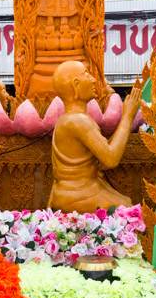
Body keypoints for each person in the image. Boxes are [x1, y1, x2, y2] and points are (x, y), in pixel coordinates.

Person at [48, 61, 141, 213]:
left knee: (126, 202)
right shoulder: (78, 121)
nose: (93, 79)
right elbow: (111, 159)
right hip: (77, 195)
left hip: (79, 190)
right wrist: (127, 117)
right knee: (127, 210)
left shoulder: (72, 119)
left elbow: (101, 159)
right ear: (76, 85)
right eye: (86, 74)